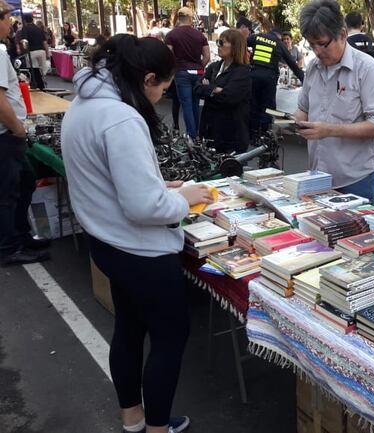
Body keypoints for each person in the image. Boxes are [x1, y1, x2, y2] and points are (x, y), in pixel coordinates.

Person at [61, 34, 214, 433]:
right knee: (170, 337)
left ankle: (133, 418)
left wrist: (162, 187)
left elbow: (106, 181)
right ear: (147, 78)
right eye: (163, 87)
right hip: (140, 251)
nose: (162, 96)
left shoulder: (85, 104)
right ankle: (158, 428)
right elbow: (144, 208)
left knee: (129, 327)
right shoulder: (121, 118)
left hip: (108, 241)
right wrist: (185, 199)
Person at [296, 0, 374, 208]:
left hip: (356, 179)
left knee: (358, 238)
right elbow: (303, 109)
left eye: (322, 44)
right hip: (317, 177)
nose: (317, 51)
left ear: (343, 34)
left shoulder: (366, 69)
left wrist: (329, 130)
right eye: (312, 45)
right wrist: (297, 123)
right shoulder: (313, 67)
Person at [0, 3, 50, 266]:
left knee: (23, 182)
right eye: (8, 18)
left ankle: (19, 236)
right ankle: (9, 247)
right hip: (6, 135)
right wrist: (17, 128)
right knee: (9, 192)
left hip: (8, 133)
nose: (11, 24)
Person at [196, 29, 252, 153]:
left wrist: (209, 88)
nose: (218, 46)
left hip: (230, 134)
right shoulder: (213, 67)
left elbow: (229, 98)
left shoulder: (242, 72)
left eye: (222, 42)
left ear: (234, 46)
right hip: (209, 129)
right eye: (218, 42)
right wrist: (214, 90)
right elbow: (197, 88)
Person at [247, 25, 304, 136]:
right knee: (268, 107)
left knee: (253, 104)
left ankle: (252, 133)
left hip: (254, 75)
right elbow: (293, 65)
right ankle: (264, 134)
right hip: (269, 78)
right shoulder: (279, 44)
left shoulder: (257, 37)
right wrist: (305, 80)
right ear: (279, 35)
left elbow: (241, 43)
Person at [165, 7, 209, 138]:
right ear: (190, 19)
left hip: (182, 72)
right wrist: (199, 66)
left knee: (186, 105)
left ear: (179, 18)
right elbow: (207, 56)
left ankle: (192, 135)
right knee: (195, 103)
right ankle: (197, 134)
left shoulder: (172, 35)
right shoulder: (200, 35)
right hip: (198, 72)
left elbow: (168, 55)